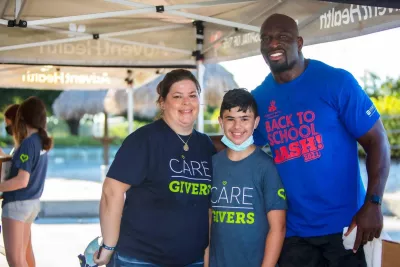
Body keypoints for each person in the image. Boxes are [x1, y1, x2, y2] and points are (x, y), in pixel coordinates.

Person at [247, 13, 390, 267]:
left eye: (282, 37)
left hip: (346, 229)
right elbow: (238, 141)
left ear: (299, 42)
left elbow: (377, 141)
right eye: (265, 39)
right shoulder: (259, 98)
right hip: (293, 234)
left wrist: (374, 202)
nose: (272, 44)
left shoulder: (336, 82)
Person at [94, 69, 216, 267]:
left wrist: (208, 252)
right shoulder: (144, 140)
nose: (187, 102)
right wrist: (108, 246)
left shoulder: (205, 146)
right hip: (141, 259)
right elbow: (111, 191)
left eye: (192, 95)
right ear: (162, 103)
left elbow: (209, 207)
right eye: (177, 96)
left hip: (192, 259)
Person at [208, 89, 286, 267]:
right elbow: (208, 222)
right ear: (221, 121)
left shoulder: (267, 167)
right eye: (230, 119)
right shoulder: (212, 165)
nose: (237, 127)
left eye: (244, 119)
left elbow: (278, 227)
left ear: (256, 122)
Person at [0, 96, 53, 267]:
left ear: (22, 117)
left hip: (17, 204)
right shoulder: (39, 141)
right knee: (23, 256)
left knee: (16, 260)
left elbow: (22, 181)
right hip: (31, 203)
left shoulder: (28, 144)